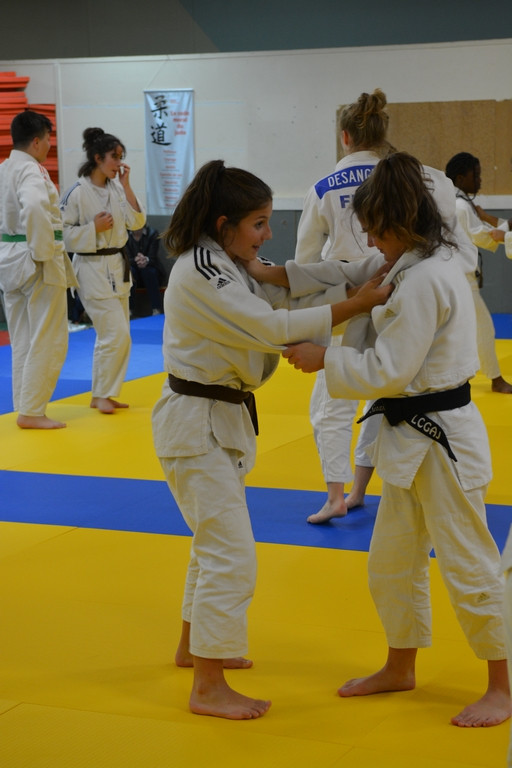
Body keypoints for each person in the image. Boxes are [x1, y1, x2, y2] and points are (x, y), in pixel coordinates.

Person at [151, 159, 393, 721]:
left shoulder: (232, 264)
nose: (267, 233)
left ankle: (193, 648)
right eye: (258, 223)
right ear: (224, 224)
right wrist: (357, 304)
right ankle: (208, 686)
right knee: (231, 553)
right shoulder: (201, 271)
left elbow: (285, 304)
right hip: (195, 421)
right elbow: (272, 329)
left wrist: (352, 284)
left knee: (212, 544)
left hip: (218, 417)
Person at [280, 152, 511, 727]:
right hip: (409, 440)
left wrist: (324, 359)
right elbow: (350, 272)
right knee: (391, 563)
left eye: (376, 230)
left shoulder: (427, 277)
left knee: (469, 563)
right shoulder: (413, 259)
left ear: (402, 222)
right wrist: (273, 276)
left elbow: (390, 370)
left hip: (443, 441)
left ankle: (502, 686)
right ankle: (400, 665)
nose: (370, 241)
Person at [294, 89, 393, 524]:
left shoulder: (323, 187)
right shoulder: (400, 179)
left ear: (345, 137)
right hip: (394, 293)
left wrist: (305, 315)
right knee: (382, 394)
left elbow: (305, 260)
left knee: (332, 402)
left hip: (346, 298)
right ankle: (359, 489)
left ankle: (336, 494)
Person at [0, 110, 77, 429]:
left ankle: (24, 404)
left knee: (23, 337)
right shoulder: (31, 170)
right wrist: (43, 253)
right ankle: (32, 410)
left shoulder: (4, 168)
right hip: (36, 258)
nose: (48, 146)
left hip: (8, 257)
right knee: (49, 336)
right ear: (35, 141)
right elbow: (33, 206)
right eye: (47, 140)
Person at [60, 127, 146, 414]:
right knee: (116, 335)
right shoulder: (76, 192)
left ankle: (103, 394)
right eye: (114, 157)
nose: (119, 163)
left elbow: (137, 223)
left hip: (117, 268)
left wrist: (127, 185)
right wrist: (92, 229)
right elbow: (60, 235)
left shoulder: (117, 188)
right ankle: (101, 395)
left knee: (116, 336)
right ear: (97, 158)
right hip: (91, 269)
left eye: (121, 157)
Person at [445, 152, 512, 394]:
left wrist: (495, 224)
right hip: (461, 279)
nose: (480, 180)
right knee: (484, 328)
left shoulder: (452, 201)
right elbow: (482, 236)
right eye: (476, 175)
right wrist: (503, 233)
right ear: (460, 178)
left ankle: (460, 377)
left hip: (453, 276)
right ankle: (495, 379)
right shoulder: (461, 206)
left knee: (457, 331)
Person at [126, 225, 164, 316]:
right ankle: (129, 309)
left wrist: (145, 260)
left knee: (149, 272)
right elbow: (126, 258)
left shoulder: (153, 233)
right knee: (130, 272)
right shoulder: (124, 235)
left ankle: (156, 309)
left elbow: (153, 257)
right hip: (133, 267)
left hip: (150, 267)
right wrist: (136, 260)